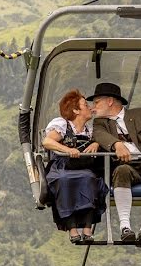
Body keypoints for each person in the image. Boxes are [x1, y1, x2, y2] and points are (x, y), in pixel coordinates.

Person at [90, 82, 141, 243]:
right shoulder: (100, 123)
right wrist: (117, 144)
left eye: (96, 102)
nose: (94, 107)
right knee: (122, 171)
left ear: (110, 101)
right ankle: (125, 226)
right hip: (126, 165)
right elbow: (99, 135)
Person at [42, 90, 107, 243]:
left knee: (90, 178)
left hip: (84, 167)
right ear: (76, 110)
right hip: (63, 166)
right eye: (85, 104)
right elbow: (47, 142)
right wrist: (68, 150)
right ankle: (72, 228)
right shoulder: (63, 125)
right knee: (64, 180)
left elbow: (101, 140)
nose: (89, 107)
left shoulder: (89, 131)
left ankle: (87, 227)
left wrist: (96, 143)